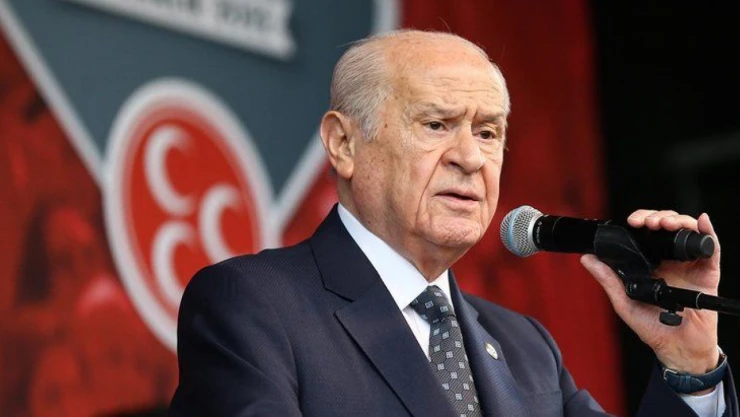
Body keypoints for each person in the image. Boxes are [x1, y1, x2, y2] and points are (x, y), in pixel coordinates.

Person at [169, 30, 737, 416]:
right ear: (343, 143)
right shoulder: (253, 306)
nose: (470, 157)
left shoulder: (526, 347)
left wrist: (688, 364)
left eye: (488, 132)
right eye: (437, 124)